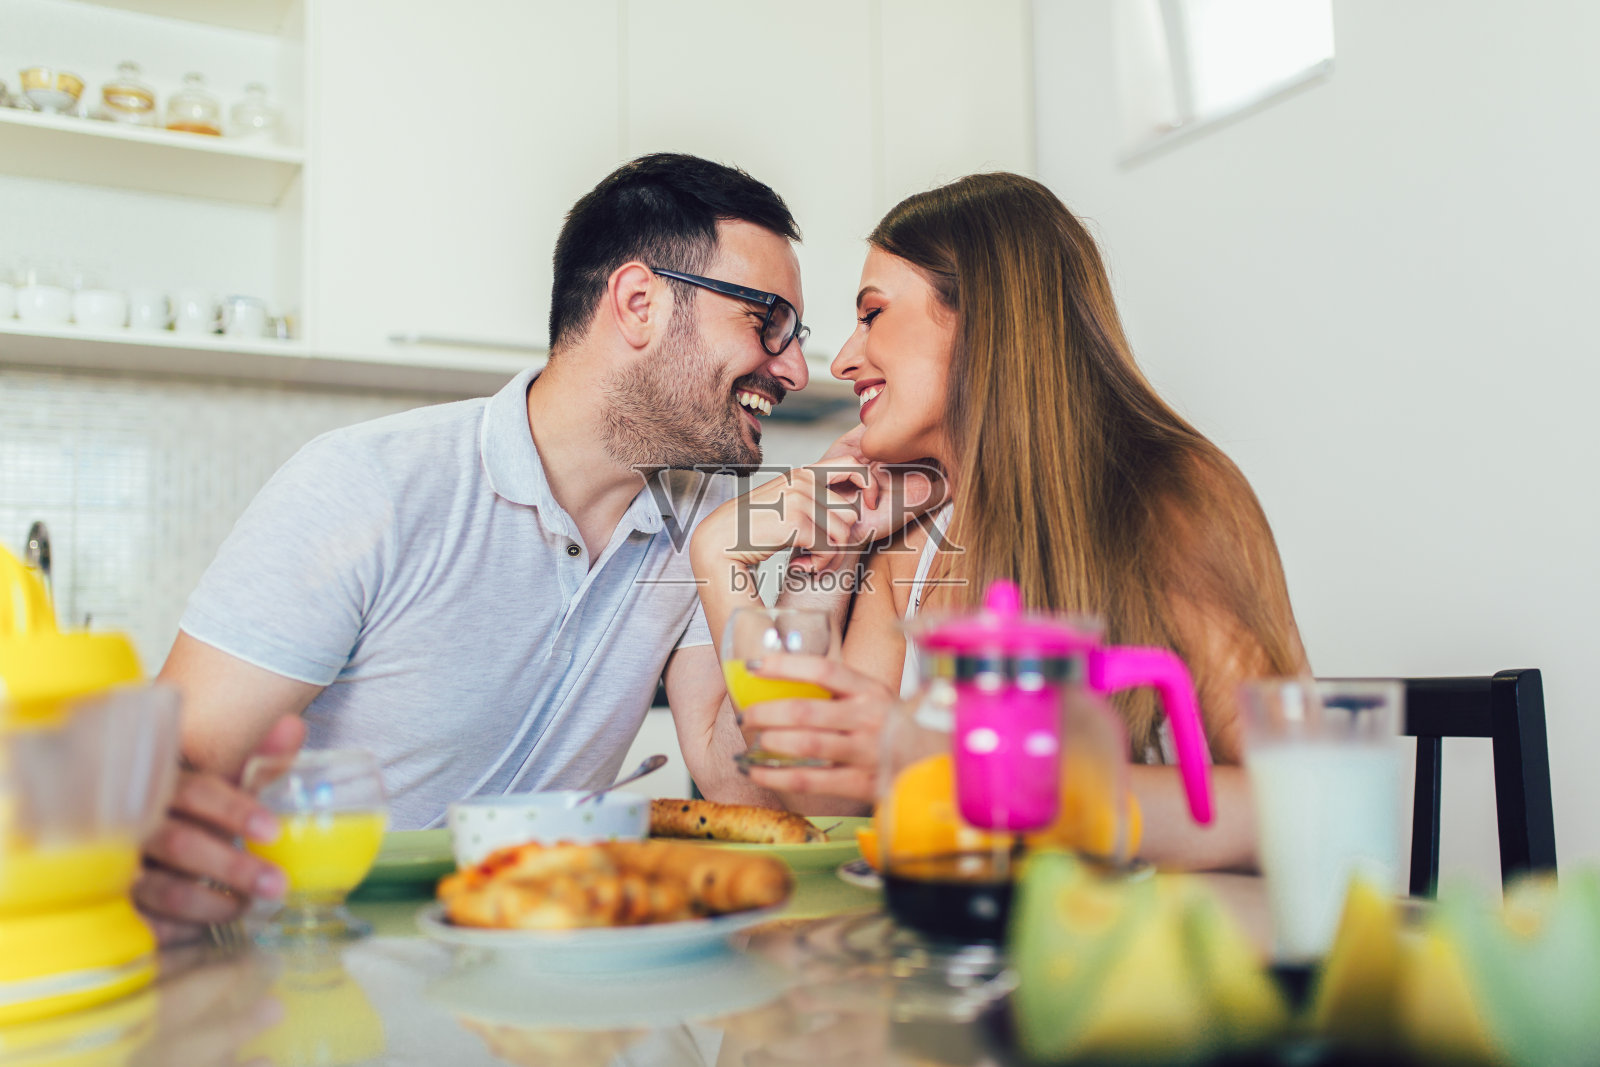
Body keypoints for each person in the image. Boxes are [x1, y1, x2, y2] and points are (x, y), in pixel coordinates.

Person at [136, 153, 836, 937]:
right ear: (638, 302)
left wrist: (814, 565)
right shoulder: (369, 483)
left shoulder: (703, 518)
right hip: (313, 972)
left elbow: (748, 801)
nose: (797, 368)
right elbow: (178, 782)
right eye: (765, 321)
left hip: (540, 982)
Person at [689, 173, 1310, 870]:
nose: (842, 359)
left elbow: (1294, 804)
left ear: (980, 316)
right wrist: (786, 558)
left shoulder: (1170, 497)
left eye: (872, 314)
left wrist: (950, 759)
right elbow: (813, 798)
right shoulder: (909, 546)